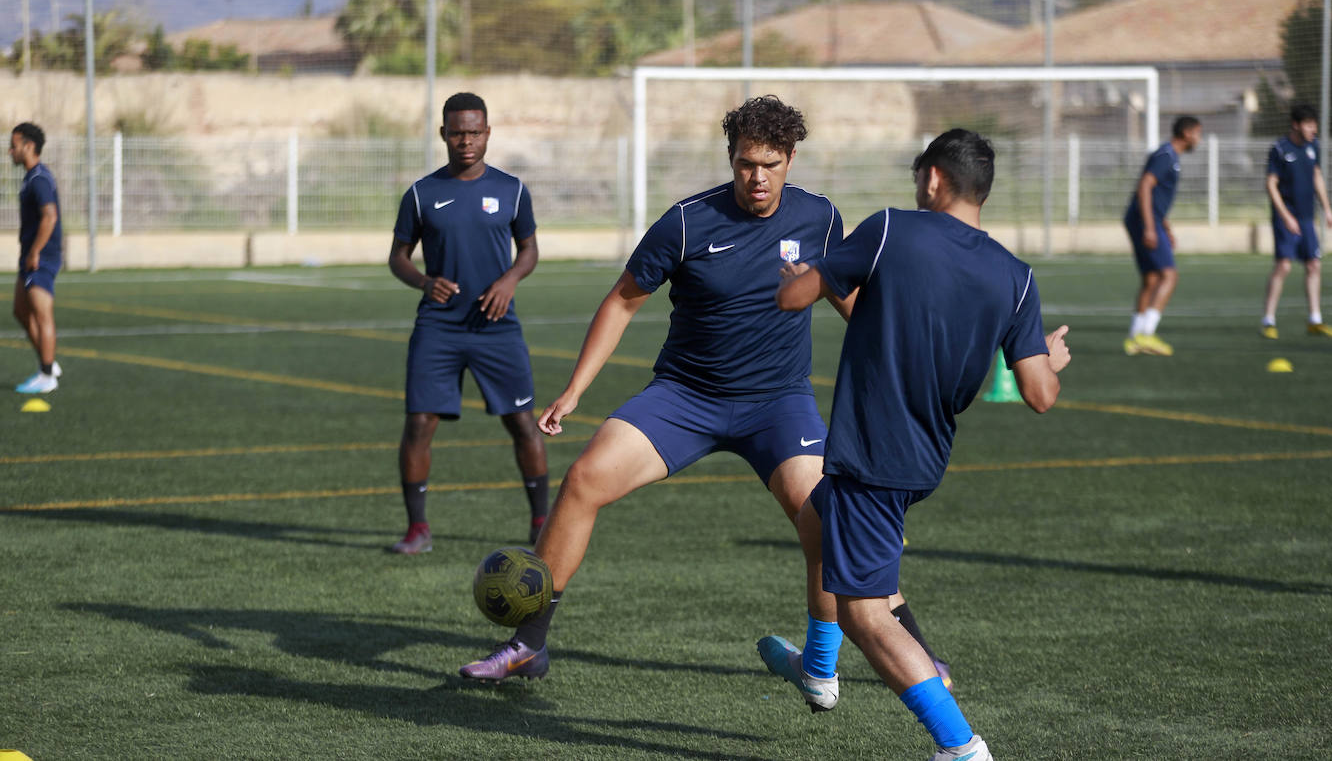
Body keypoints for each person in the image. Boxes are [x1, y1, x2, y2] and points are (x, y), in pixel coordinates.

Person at [459, 95, 942, 688]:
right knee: (584, 479)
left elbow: (849, 300)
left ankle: (870, 659)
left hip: (778, 404)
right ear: (730, 158)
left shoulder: (820, 218)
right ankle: (528, 645)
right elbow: (621, 302)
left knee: (828, 517)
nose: (757, 177)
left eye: (769, 165)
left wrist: (906, 368)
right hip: (685, 398)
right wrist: (576, 389)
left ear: (791, 159)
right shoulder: (686, 222)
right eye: (745, 164)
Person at [760, 129, 1071, 761]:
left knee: (865, 614)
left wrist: (807, 277)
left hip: (874, 451)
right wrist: (1050, 359)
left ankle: (961, 746)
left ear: (932, 178)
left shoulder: (890, 230)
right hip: (924, 454)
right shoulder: (1016, 276)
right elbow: (1040, 394)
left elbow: (791, 298)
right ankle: (817, 667)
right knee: (817, 518)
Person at [386, 92, 548, 554]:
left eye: (475, 132)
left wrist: (510, 281)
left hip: (496, 326)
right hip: (439, 327)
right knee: (419, 423)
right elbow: (398, 257)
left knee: (522, 422)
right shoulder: (422, 194)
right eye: (457, 133)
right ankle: (417, 529)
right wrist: (424, 282)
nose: (466, 141)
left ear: (488, 133)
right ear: (443, 134)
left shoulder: (512, 190)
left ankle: (541, 523)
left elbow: (529, 249)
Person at [1122, 115, 1201, 356]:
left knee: (1151, 278)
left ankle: (1134, 337)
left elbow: (1156, 197)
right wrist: (1149, 227)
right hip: (1144, 221)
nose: (1199, 139)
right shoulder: (1166, 155)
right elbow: (1145, 186)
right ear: (1187, 133)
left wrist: (1165, 227)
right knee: (1170, 275)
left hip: (1146, 220)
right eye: (1198, 133)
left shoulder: (1169, 156)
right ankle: (1147, 335)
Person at [1260, 103, 1332, 339]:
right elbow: (1271, 184)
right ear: (1296, 125)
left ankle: (1315, 320)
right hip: (1286, 217)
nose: (1314, 129)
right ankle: (1268, 320)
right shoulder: (1280, 149)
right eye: (1309, 124)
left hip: (1306, 217)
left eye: (1315, 124)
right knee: (1283, 265)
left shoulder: (1313, 146)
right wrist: (1285, 216)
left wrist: (1327, 209)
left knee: (1313, 265)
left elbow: (1317, 176)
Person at [10, 122, 63, 395]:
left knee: (42, 315)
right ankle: (48, 361)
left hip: (40, 256)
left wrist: (35, 251)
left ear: (29, 146)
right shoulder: (31, 177)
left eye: (14, 146)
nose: (10, 151)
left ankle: (46, 375)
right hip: (30, 254)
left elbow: (50, 216)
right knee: (20, 310)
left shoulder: (39, 178)